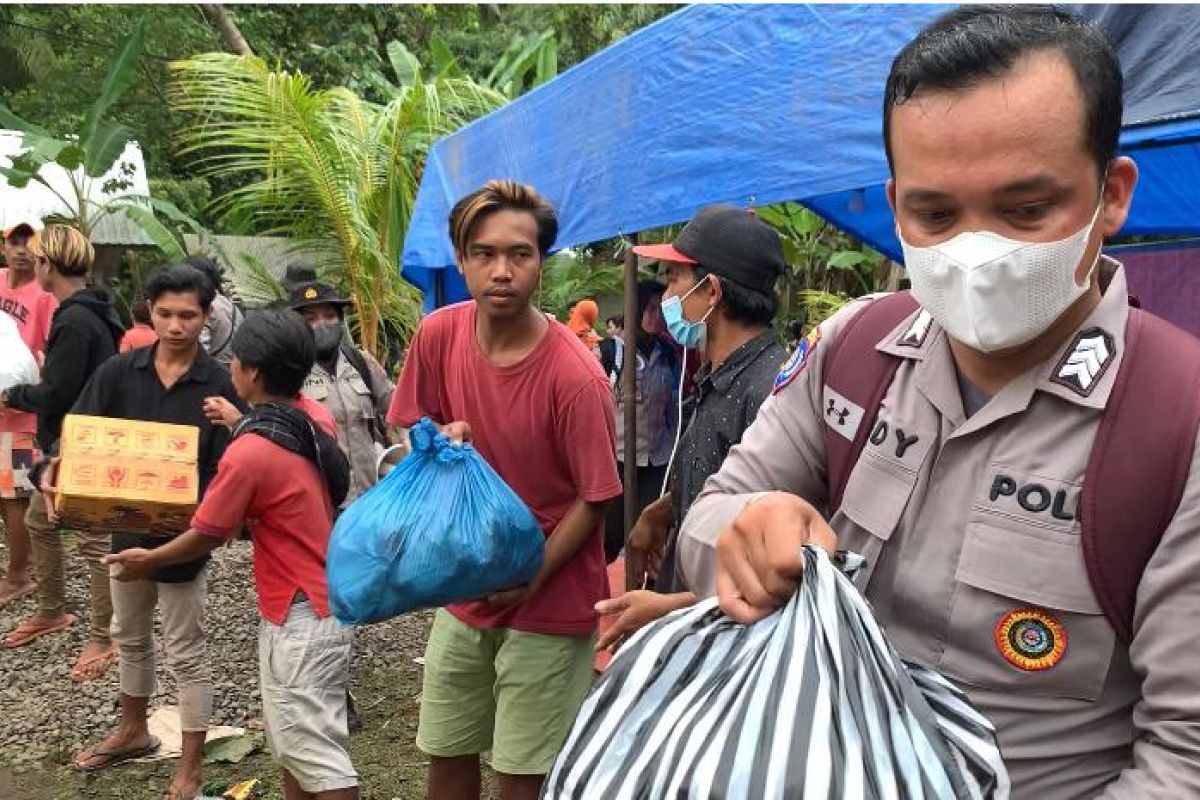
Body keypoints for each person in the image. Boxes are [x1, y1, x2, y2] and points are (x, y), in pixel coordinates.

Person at [678, 6, 1200, 797]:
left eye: (1026, 209)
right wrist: (747, 538)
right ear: (895, 207)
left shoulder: (1176, 419)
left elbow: (1183, 757)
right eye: (935, 214)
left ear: (1112, 194)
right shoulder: (854, 351)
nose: (977, 252)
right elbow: (712, 516)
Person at [387, 179, 620, 800]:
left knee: (523, 772)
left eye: (520, 254)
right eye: (484, 254)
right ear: (461, 260)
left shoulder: (576, 376)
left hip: (550, 597)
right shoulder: (438, 335)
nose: (501, 271)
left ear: (541, 262)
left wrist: (533, 574)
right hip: (466, 585)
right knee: (446, 746)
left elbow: (596, 498)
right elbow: (415, 426)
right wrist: (437, 442)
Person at [105, 309, 359, 800]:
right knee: (295, 743)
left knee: (318, 756)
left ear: (254, 373)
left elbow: (207, 533)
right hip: (321, 603)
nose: (231, 368)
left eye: (236, 360)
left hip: (300, 613)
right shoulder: (306, 419)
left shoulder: (250, 450)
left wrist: (147, 561)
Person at [63, 264, 242, 799]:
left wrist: (234, 422)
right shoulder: (121, 371)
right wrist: (60, 480)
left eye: (188, 315)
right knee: (129, 636)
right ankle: (134, 729)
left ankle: (190, 766)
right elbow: (82, 435)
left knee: (186, 649)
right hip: (123, 533)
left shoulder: (222, 385)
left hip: (187, 540)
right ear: (151, 311)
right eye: (165, 313)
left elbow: (233, 470)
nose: (176, 325)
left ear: (206, 316)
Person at [596, 206, 788, 646]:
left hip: (724, 641)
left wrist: (668, 606)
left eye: (674, 280)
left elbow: (772, 566)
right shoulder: (715, 375)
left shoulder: (772, 394)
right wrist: (664, 508)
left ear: (711, 291)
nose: (667, 296)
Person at [0, 225, 123, 682]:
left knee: (93, 539)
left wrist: (14, 394)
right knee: (37, 521)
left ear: (49, 265)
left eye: (38, 260)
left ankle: (103, 635)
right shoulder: (97, 309)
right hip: (76, 435)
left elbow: (57, 392)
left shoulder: (73, 320)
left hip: (78, 440)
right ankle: (52, 609)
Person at [290, 280, 394, 504]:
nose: (322, 324)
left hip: (371, 500)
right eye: (311, 319)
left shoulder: (362, 363)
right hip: (321, 507)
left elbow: (397, 409)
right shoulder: (289, 373)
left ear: (340, 320)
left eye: (329, 316)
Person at [0, 222, 58, 606]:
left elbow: (47, 355)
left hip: (20, 412)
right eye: (14, 241)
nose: (22, 250)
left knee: (15, 495)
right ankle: (28, 562)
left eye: (29, 243)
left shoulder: (43, 296)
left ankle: (19, 575)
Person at [602, 280, 679, 563]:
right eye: (648, 309)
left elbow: (672, 408)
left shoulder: (668, 353)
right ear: (633, 309)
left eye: (660, 310)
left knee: (650, 537)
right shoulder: (610, 352)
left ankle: (644, 592)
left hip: (656, 461)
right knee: (609, 537)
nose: (654, 317)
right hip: (619, 461)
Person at [185, 254, 242, 367]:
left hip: (214, 369)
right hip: (234, 367)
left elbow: (200, 350)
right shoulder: (228, 303)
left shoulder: (207, 306)